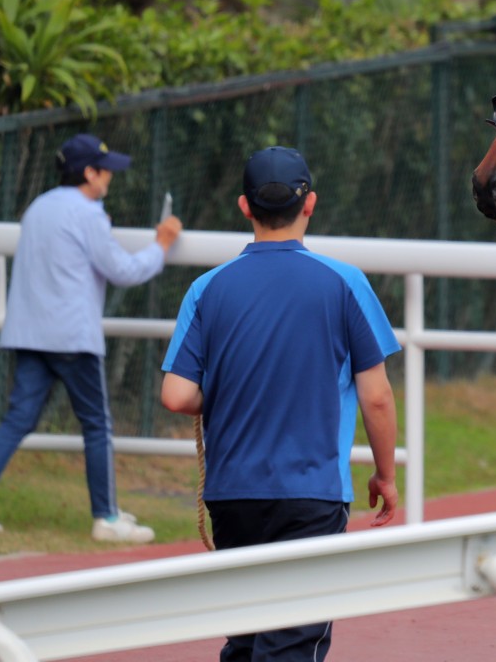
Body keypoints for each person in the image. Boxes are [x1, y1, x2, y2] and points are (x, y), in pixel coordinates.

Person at [160, 146, 400, 662]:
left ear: (244, 207)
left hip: (232, 495)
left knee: (246, 639)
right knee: (293, 642)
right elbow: (376, 397)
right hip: (312, 494)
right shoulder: (345, 282)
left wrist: (227, 386)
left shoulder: (207, 288)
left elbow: (177, 394)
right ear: (309, 203)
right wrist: (386, 476)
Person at [0, 133, 183, 541]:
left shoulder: (38, 208)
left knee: (18, 418)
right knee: (96, 425)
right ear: (89, 173)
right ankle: (106, 517)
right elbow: (125, 271)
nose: (110, 179)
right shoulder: (89, 214)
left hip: (29, 332)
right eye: (106, 171)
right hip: (71, 337)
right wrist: (162, 245)